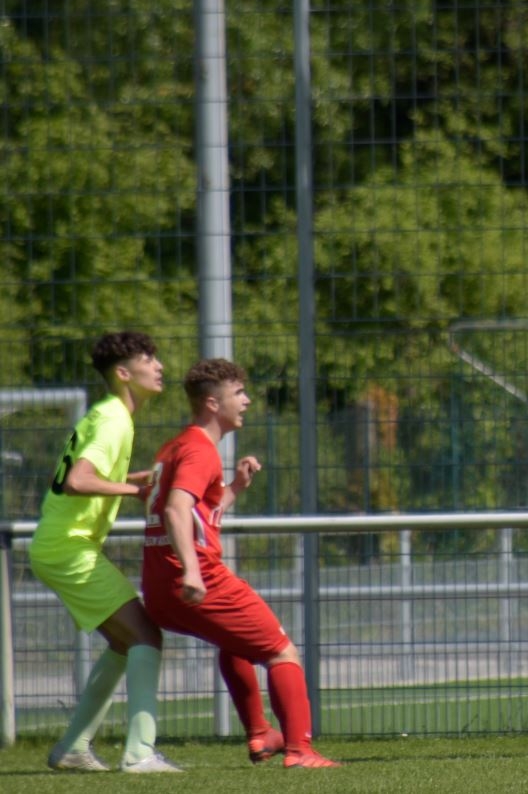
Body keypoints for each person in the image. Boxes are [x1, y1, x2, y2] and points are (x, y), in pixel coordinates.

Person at [141, 358, 340, 769]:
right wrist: (192, 571)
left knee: (235, 642)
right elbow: (176, 509)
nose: (246, 401)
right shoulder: (200, 450)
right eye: (238, 393)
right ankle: (300, 751)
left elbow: (198, 513)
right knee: (282, 652)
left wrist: (234, 488)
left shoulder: (175, 446)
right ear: (213, 403)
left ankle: (260, 733)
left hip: (159, 586)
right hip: (196, 577)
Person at [30, 331, 179, 773]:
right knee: (146, 635)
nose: (159, 366)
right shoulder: (114, 419)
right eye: (148, 360)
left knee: (123, 640)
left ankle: (73, 748)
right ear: (123, 373)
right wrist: (137, 490)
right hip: (69, 548)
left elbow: (70, 478)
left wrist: (132, 478)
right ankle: (139, 754)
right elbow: (78, 480)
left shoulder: (107, 414)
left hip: (62, 546)